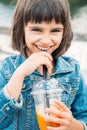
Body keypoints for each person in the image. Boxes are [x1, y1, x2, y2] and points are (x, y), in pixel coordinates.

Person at [0, 0, 87, 129]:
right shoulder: (8, 68)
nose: (46, 40)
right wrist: (20, 74)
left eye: (55, 31)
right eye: (36, 30)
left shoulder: (72, 71)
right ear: (21, 29)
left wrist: (74, 125)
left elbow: (83, 115)